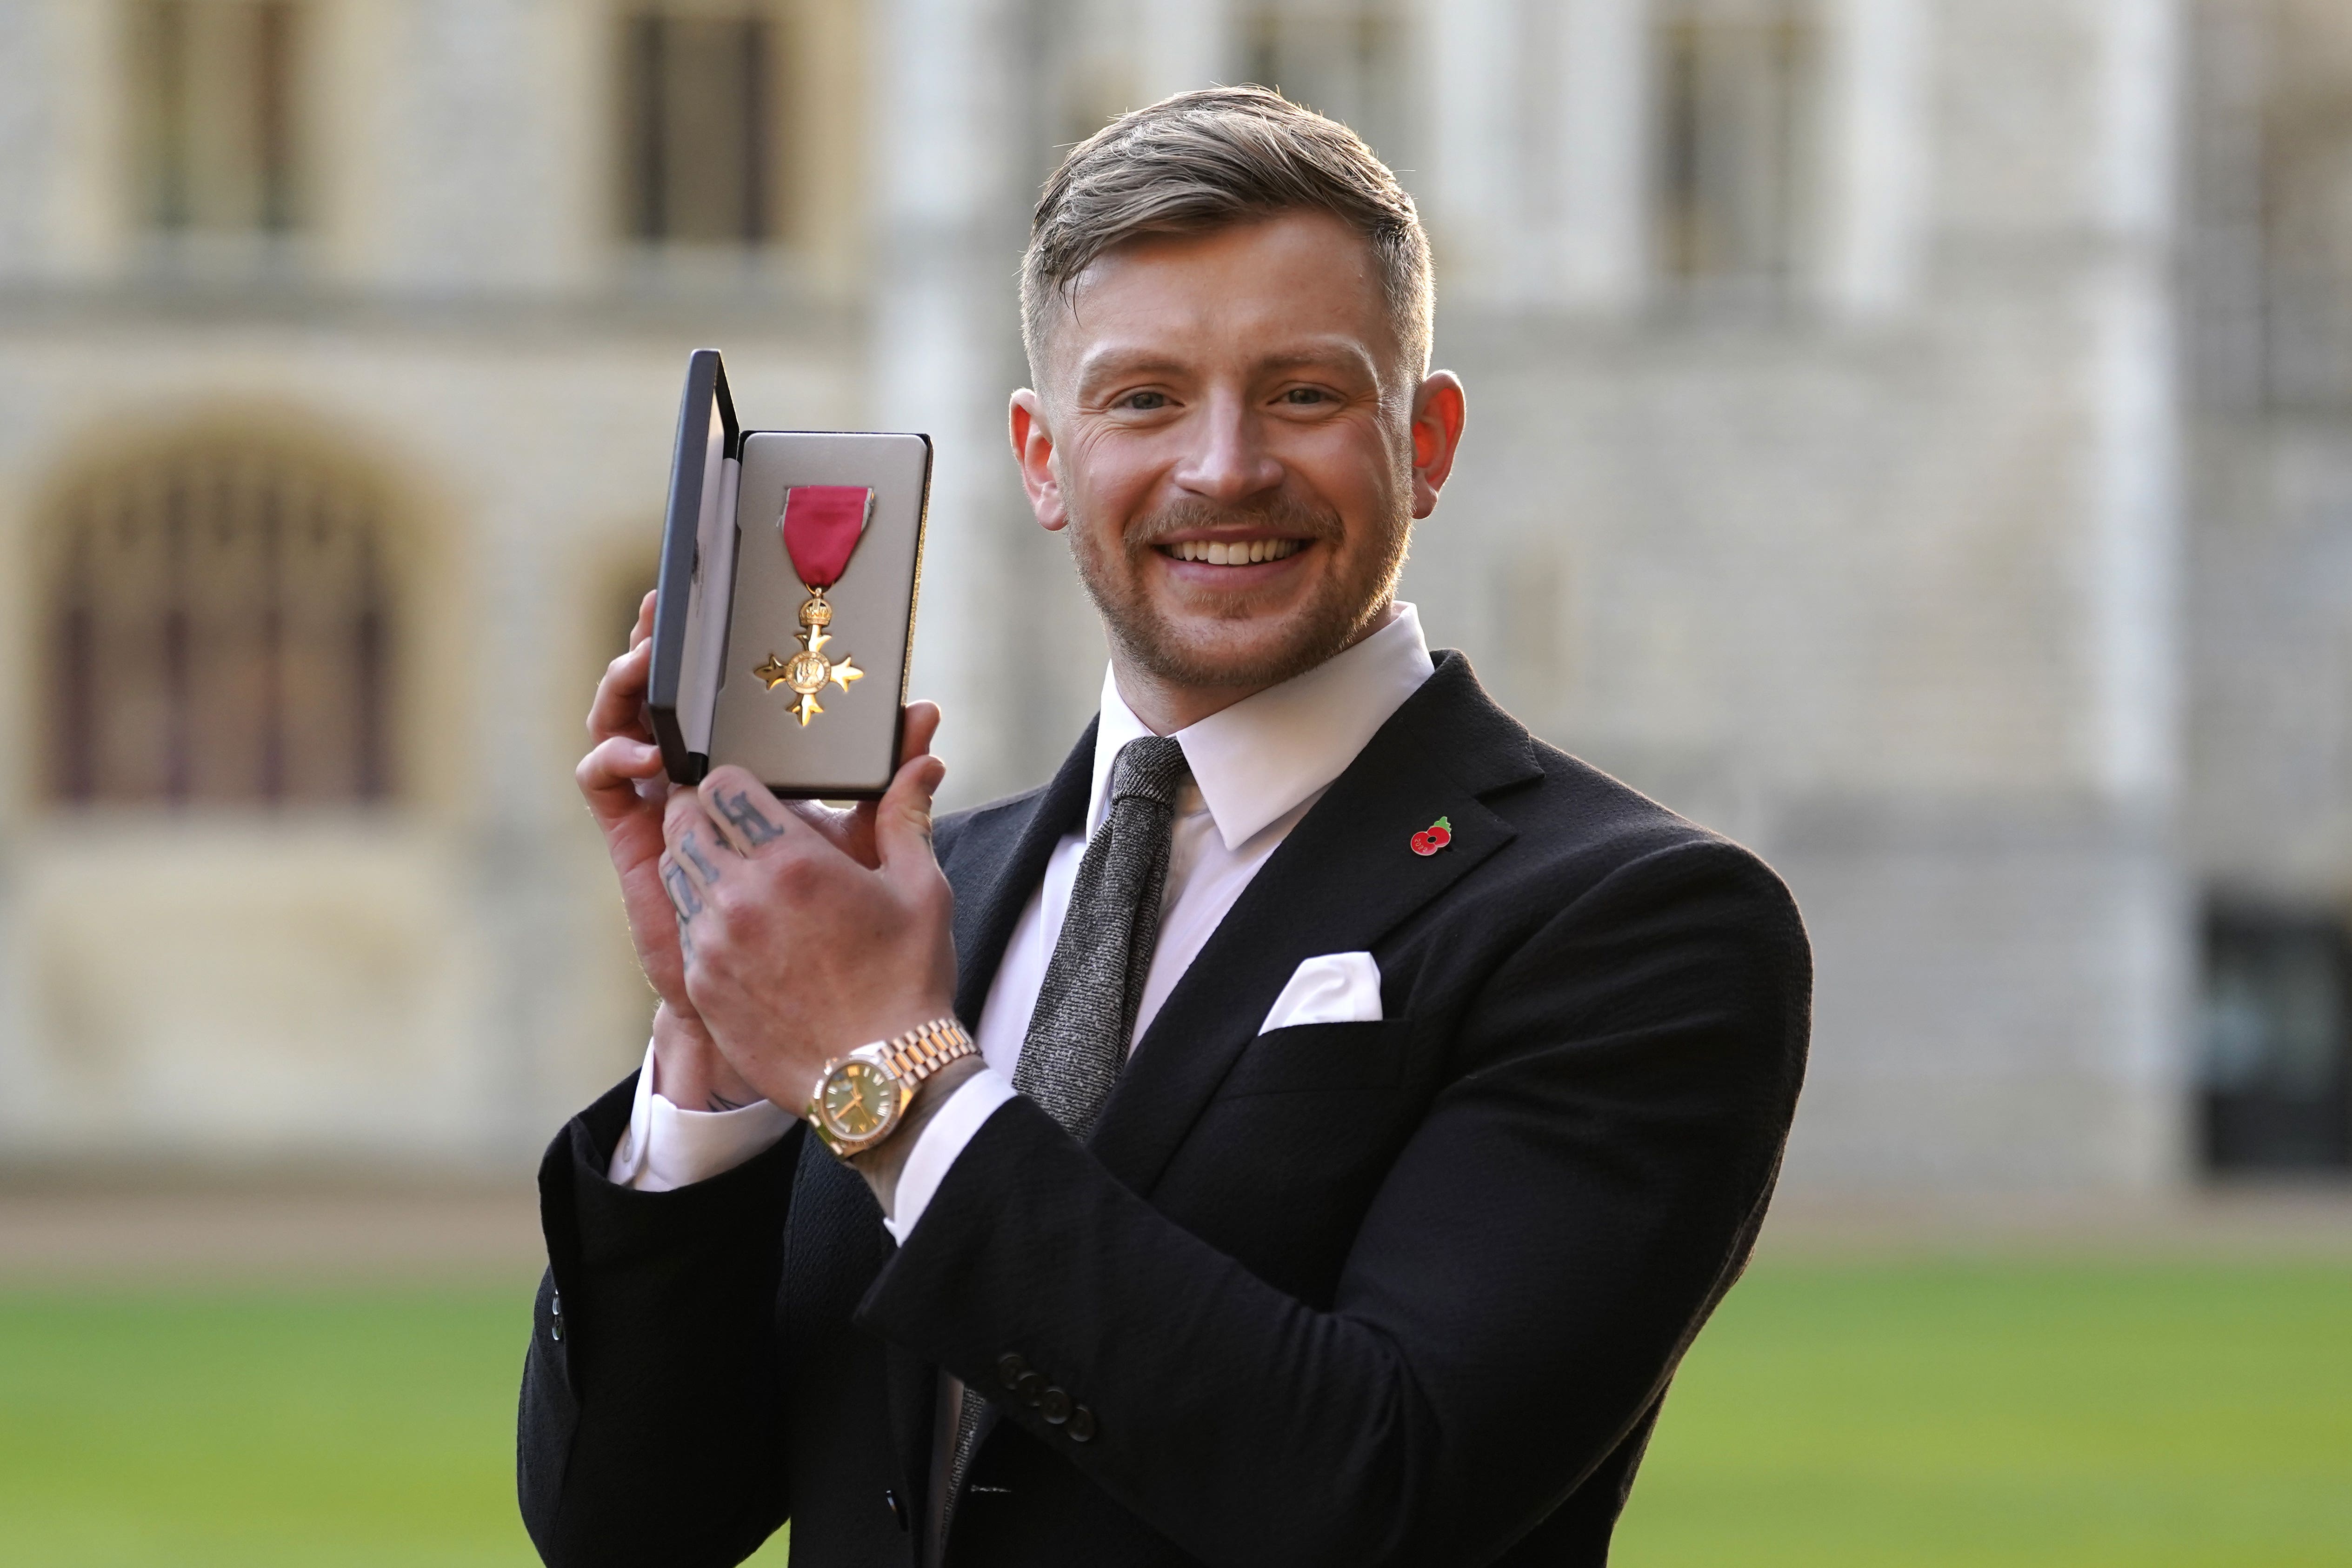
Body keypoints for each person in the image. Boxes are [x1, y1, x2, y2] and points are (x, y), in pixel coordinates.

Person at [520, 86, 1810, 1568]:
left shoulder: (1634, 923)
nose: (1222, 467)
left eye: (1304, 394)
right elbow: (625, 1527)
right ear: (1043, 460)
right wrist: (713, 1044)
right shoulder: (935, 898)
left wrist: (886, 1076)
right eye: (1143, 399)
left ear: (1428, 439)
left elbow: (1384, 1488)